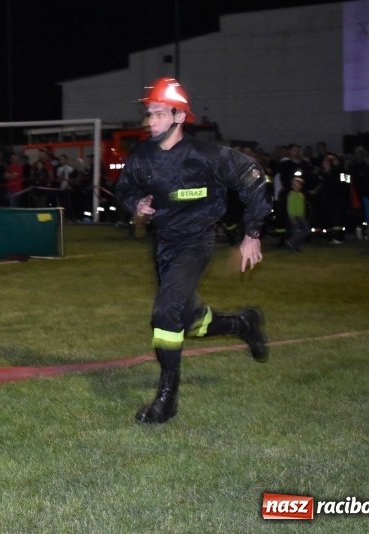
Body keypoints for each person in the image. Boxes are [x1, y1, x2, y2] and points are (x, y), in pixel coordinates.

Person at [114, 77, 272, 425]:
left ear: (179, 116)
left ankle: (166, 399)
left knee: (165, 311)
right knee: (186, 320)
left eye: (158, 114)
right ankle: (245, 323)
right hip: (164, 245)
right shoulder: (142, 157)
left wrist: (253, 233)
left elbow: (254, 177)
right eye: (149, 114)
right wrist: (135, 204)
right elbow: (123, 189)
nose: (150, 121)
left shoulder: (207, 156)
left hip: (197, 242)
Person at [287, 176, 308, 251]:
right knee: (295, 231)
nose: (297, 186)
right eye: (295, 185)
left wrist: (303, 214)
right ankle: (294, 247)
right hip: (294, 216)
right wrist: (291, 217)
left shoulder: (301, 195)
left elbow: (302, 206)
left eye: (298, 185)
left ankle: (293, 241)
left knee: (306, 230)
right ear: (292, 186)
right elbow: (290, 207)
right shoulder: (291, 195)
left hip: (301, 216)